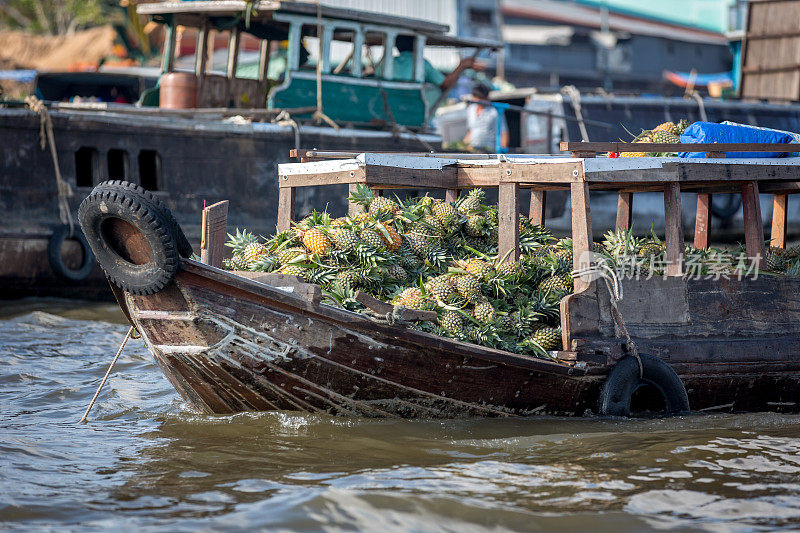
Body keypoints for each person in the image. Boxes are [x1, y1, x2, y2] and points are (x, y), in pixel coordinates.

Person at [378, 35, 476, 105]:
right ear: (416, 44)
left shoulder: (385, 62)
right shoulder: (421, 63)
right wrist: (462, 66)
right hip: (409, 109)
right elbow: (445, 83)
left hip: (385, 106)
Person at [463, 83, 509, 153]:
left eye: (482, 98)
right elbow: (471, 130)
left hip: (489, 150)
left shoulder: (495, 111)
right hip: (473, 149)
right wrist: (463, 145)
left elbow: (504, 132)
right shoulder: (471, 109)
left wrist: (503, 151)